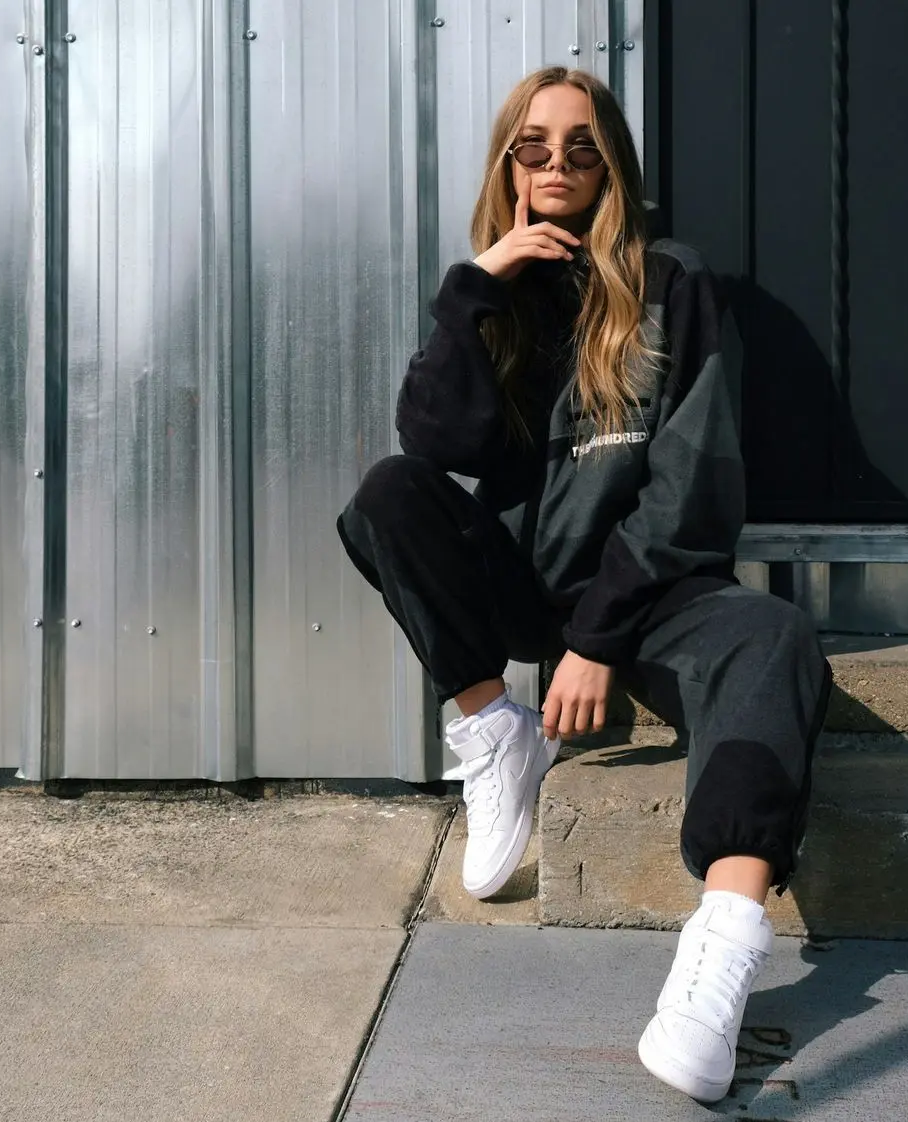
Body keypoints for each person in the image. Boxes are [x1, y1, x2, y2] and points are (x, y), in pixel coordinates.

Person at [337, 66, 832, 1104]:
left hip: (652, 598)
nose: (554, 163)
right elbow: (435, 443)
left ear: (611, 165)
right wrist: (474, 289)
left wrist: (599, 637)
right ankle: (494, 730)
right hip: (526, 591)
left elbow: (690, 481)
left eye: (578, 145)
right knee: (388, 494)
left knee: (776, 638)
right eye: (531, 144)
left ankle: (720, 952)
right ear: (506, 164)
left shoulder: (669, 283)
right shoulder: (495, 295)